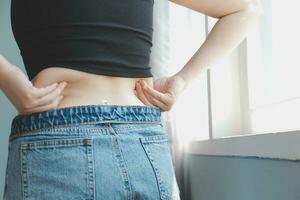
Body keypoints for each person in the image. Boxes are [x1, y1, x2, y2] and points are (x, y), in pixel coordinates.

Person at [0, 0, 263, 199]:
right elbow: (246, 10)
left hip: (58, 142)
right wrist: (182, 80)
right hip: (144, 144)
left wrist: (9, 77)